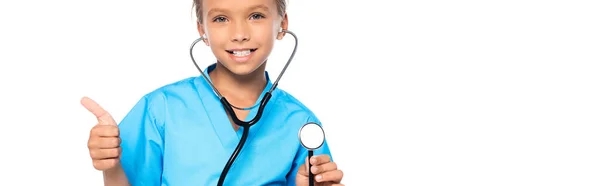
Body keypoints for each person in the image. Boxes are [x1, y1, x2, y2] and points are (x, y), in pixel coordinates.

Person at [82, 0, 344, 185]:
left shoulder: (300, 123)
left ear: (282, 24)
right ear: (202, 31)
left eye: (256, 15)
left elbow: (315, 180)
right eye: (221, 19)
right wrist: (111, 167)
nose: (239, 34)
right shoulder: (160, 109)